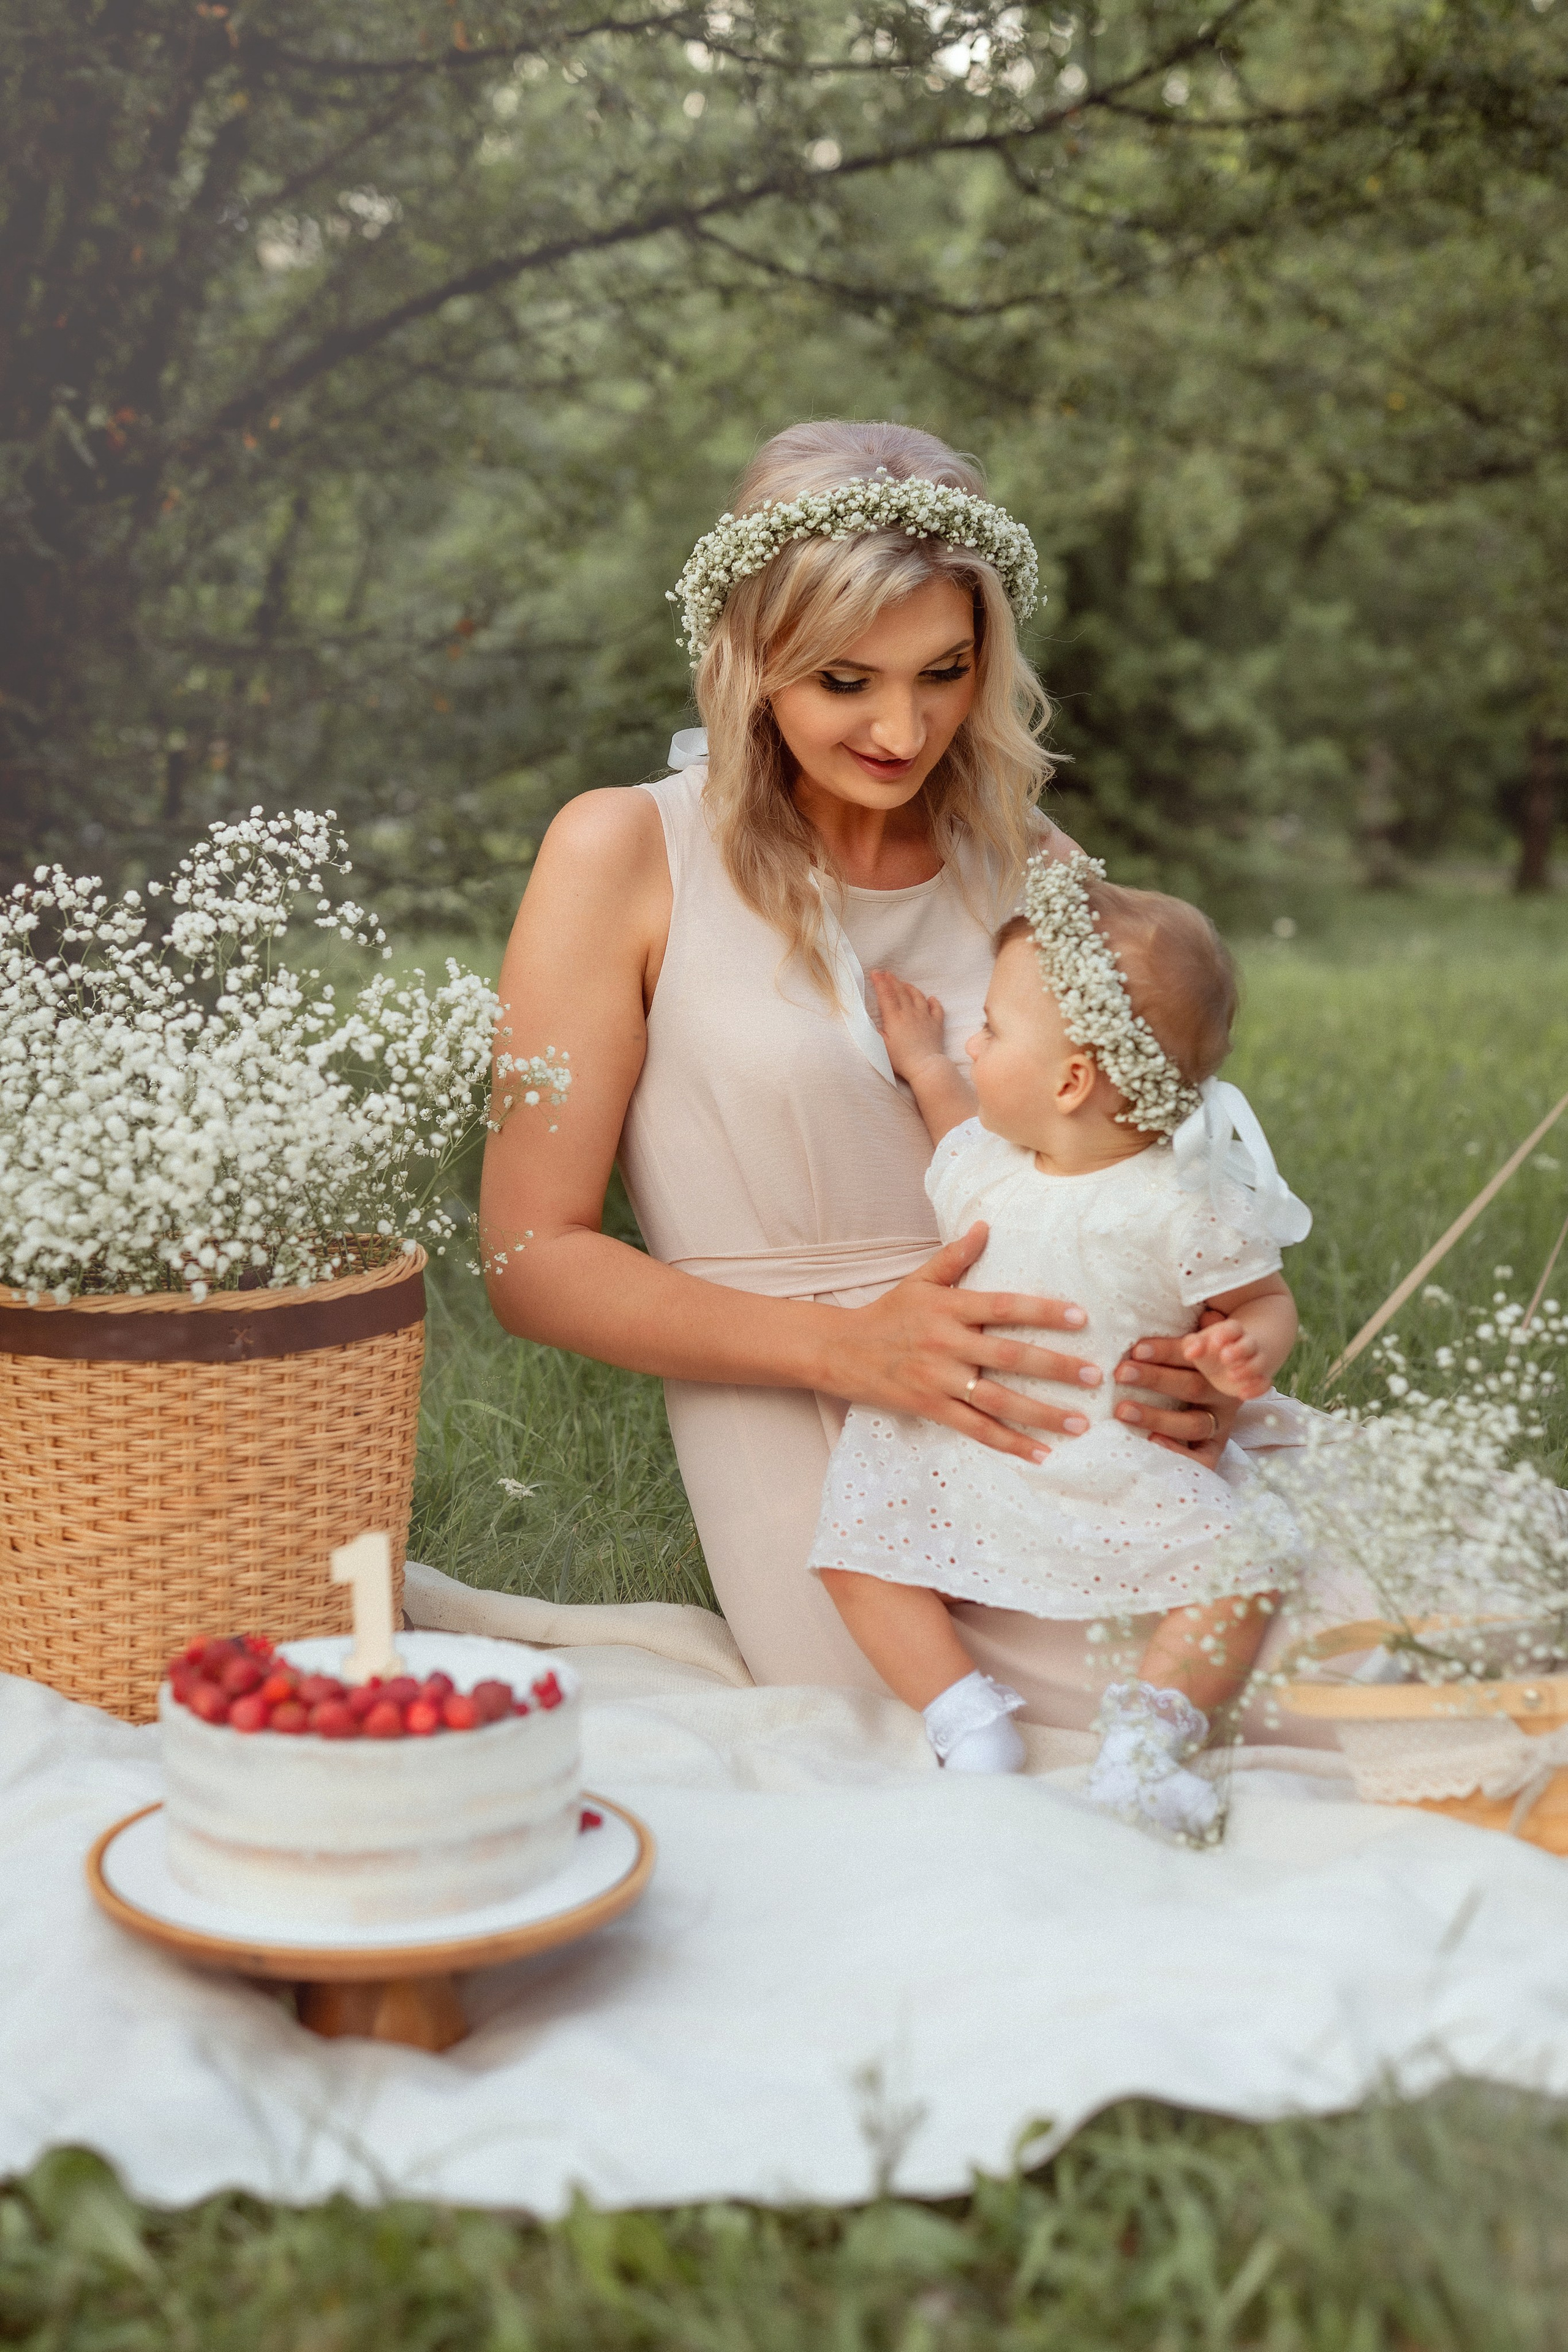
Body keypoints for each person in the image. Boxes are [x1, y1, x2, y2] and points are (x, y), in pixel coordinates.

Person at [480, 417, 1321, 1728]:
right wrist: (853, 1349)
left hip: (1069, 1397)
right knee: (1040, 1726)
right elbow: (528, 1260)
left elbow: (1124, 1156)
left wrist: (1183, 1370)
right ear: (749, 657)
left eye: (943, 671)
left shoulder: (1026, 859)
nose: (901, 726)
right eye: (843, 681)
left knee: (1388, 1641)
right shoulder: (624, 851)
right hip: (809, 1414)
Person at [807, 856, 1311, 1836]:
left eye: (990, 1030)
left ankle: (1148, 1737)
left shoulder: (1179, 1201)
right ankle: (966, 1716)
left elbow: (1263, 1299)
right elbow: (957, 1111)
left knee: (1249, 1560)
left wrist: (1247, 1352)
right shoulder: (989, 1167)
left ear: (1072, 1080)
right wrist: (922, 1061)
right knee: (855, 1553)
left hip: (1117, 1452)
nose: (972, 1038)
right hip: (970, 1443)